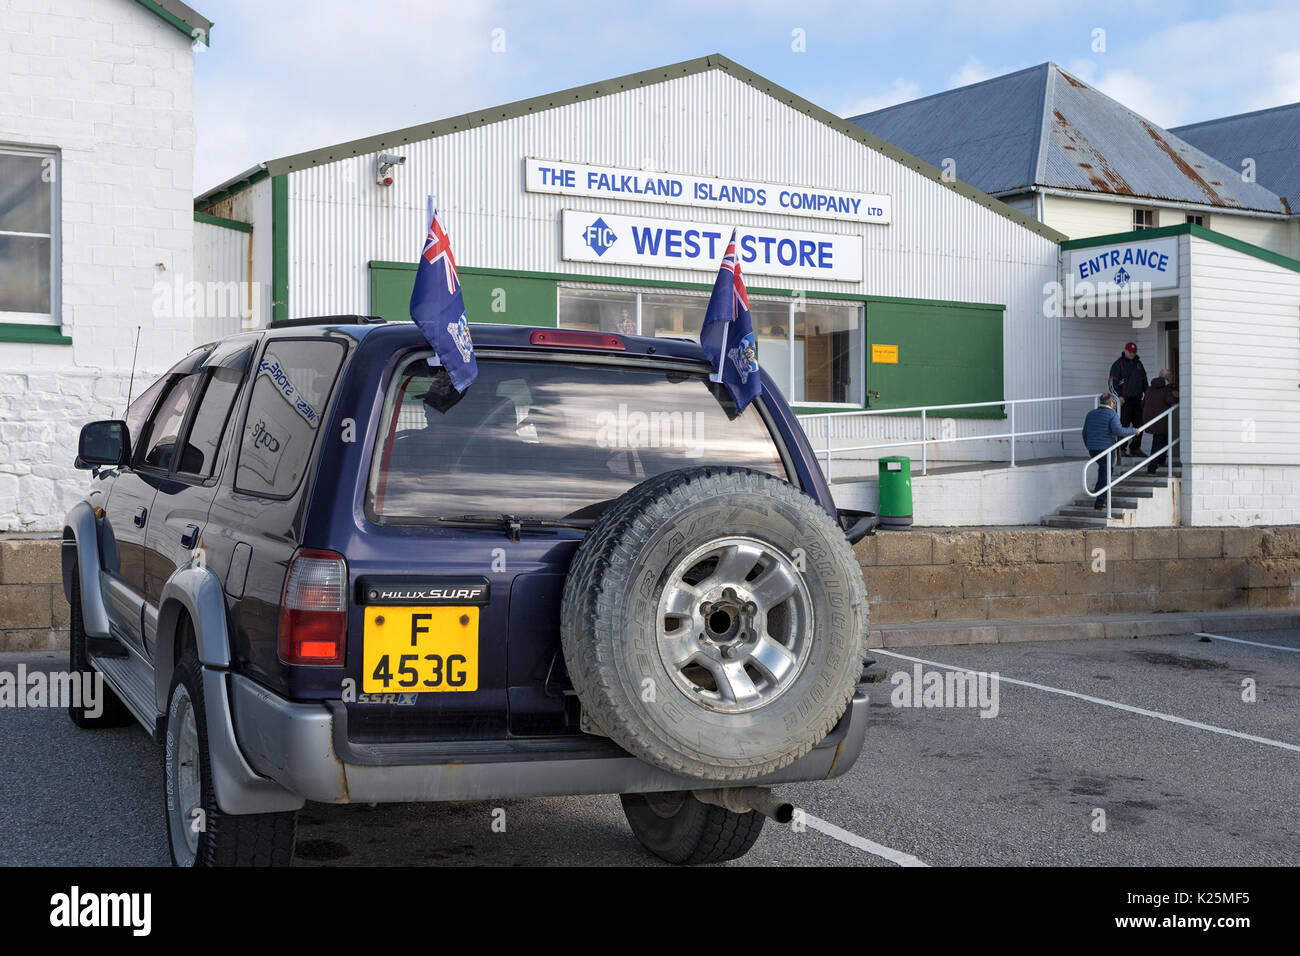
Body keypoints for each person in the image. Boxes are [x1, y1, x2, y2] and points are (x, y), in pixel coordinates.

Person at [1082, 393, 1136, 510]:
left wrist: (1089, 446)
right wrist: (1133, 431)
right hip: (1106, 449)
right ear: (1111, 403)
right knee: (1106, 472)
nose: (1115, 406)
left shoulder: (1090, 414)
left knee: (1103, 469)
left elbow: (1084, 433)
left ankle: (1098, 489)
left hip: (1093, 449)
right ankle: (1100, 501)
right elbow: (1118, 430)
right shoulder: (1112, 414)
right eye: (1115, 403)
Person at [1108, 342, 1148, 457]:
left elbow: (1144, 381)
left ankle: (1135, 448)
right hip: (1124, 401)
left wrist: (1148, 395)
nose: (1132, 354)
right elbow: (1112, 383)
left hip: (1137, 400)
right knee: (1123, 425)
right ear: (1125, 350)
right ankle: (1121, 449)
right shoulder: (1118, 364)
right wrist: (1118, 396)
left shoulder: (1139, 364)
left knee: (1140, 425)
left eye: (1134, 352)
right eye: (1130, 352)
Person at [1142, 369, 1178, 474]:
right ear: (1167, 378)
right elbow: (1170, 400)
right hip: (1161, 421)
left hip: (1150, 420)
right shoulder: (1166, 389)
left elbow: (1143, 403)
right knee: (1157, 443)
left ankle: (1161, 461)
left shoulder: (1149, 389)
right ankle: (1151, 468)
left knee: (1162, 440)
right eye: (1171, 377)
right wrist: (1181, 398)